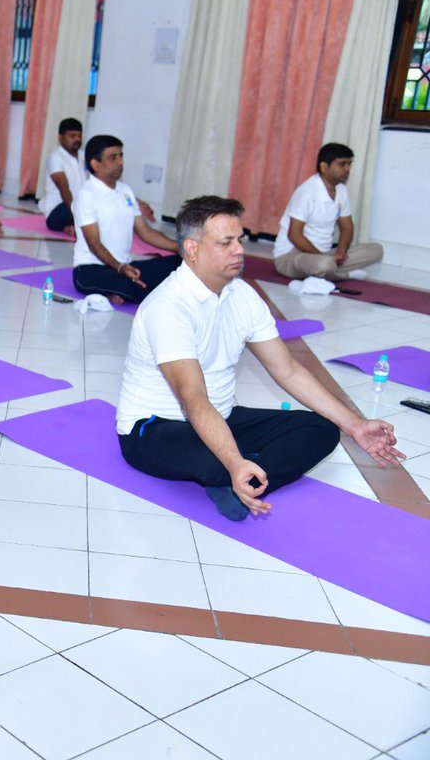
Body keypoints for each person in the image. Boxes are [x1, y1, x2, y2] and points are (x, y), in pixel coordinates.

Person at [117, 196, 404, 521]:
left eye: (239, 239)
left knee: (322, 428)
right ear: (193, 249)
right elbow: (192, 398)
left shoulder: (242, 295)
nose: (239, 250)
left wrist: (355, 425)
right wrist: (233, 460)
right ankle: (240, 471)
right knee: (218, 459)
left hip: (222, 416)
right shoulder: (168, 307)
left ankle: (239, 482)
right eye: (226, 242)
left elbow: (288, 370)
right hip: (155, 429)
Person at [72, 135, 180, 304]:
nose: (120, 162)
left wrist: (181, 247)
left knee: (179, 263)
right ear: (95, 164)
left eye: (121, 156)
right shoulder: (87, 195)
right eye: (113, 157)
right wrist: (119, 267)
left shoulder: (126, 190)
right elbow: (94, 244)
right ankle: (115, 291)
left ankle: (121, 290)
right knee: (139, 288)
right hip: (92, 269)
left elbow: (146, 232)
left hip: (125, 266)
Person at [272, 143, 384, 281]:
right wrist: (322, 257)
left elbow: (347, 226)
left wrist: (341, 252)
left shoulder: (341, 190)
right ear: (324, 167)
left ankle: (331, 268)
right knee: (324, 264)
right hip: (291, 256)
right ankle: (344, 274)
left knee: (376, 250)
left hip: (324, 254)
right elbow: (294, 235)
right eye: (342, 164)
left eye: (349, 164)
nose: (347, 169)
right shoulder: (307, 192)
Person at [40, 118, 85, 235]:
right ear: (60, 138)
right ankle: (75, 225)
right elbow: (64, 189)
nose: (77, 139)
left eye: (79, 136)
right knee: (71, 207)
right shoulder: (55, 158)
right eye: (72, 136)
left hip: (80, 206)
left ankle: (72, 227)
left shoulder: (84, 156)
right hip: (59, 210)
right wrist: (78, 217)